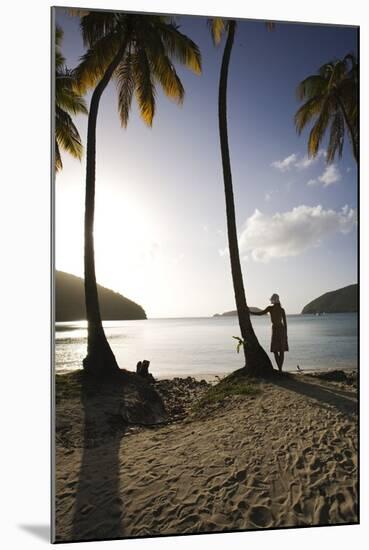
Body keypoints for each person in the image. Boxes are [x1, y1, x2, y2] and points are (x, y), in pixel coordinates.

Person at [249, 294, 288, 372]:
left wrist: (250, 312)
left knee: (276, 350)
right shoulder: (281, 309)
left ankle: (280, 369)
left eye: (272, 300)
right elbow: (285, 323)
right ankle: (280, 369)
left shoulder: (271, 308)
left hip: (276, 329)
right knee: (281, 350)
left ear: (273, 300)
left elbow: (260, 313)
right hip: (281, 329)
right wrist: (286, 334)